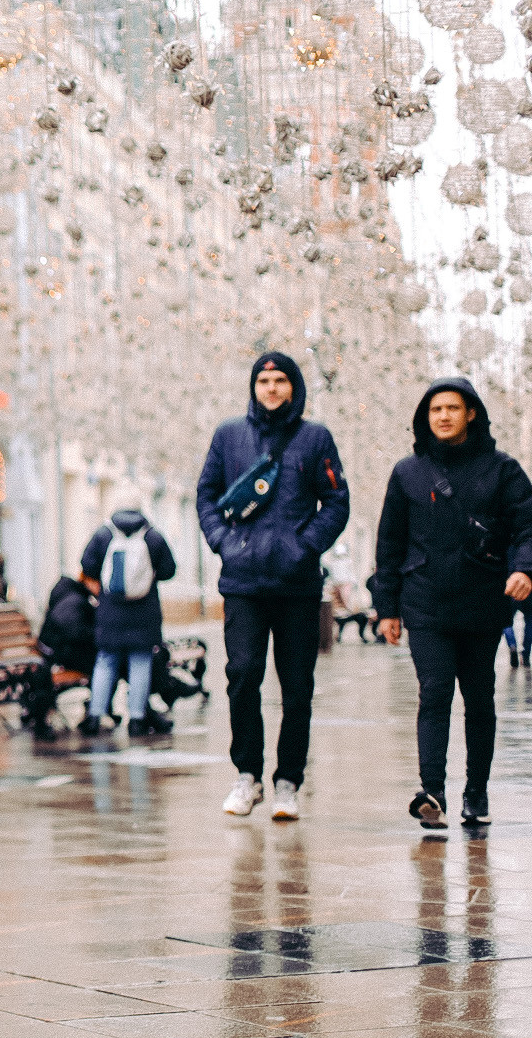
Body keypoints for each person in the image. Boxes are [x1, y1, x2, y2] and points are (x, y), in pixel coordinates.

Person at [371, 379, 532, 829]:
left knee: (479, 698)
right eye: (435, 409)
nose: (443, 416)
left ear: (471, 414)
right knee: (435, 692)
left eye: (452, 408)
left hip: (482, 603)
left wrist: (524, 569)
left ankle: (476, 793)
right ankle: (433, 793)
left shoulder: (502, 471)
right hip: (425, 602)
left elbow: (526, 528)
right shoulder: (408, 473)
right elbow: (390, 543)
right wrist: (387, 608)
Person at [195, 352, 349, 820]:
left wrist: (305, 546)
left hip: (297, 586)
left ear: (294, 386)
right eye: (263, 380)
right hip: (242, 583)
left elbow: (336, 500)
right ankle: (248, 776)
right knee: (242, 676)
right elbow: (205, 494)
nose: (272, 388)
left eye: (281, 380)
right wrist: (225, 542)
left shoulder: (315, 438)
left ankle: (288, 781)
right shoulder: (229, 435)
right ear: (253, 387)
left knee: (296, 685)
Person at [77, 503, 178, 737]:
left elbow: (87, 565)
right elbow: (169, 570)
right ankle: (137, 719)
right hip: (145, 612)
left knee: (105, 661)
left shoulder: (103, 534)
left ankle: (95, 716)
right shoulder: (153, 536)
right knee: (140, 662)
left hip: (110, 611)